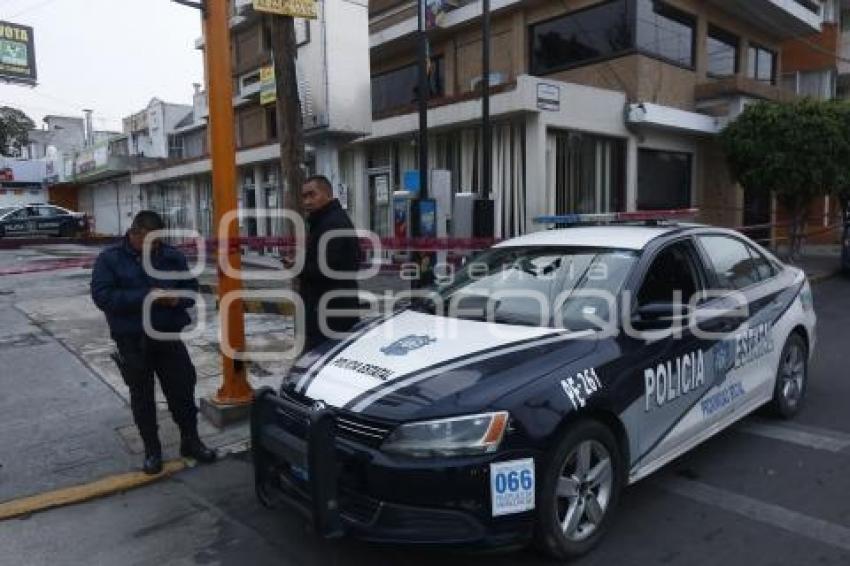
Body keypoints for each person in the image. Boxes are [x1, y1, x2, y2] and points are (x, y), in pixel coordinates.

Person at [91, 211, 216, 475]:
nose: (154, 248)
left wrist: (176, 299)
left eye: (158, 243)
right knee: (143, 398)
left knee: (182, 389)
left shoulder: (172, 256)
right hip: (133, 341)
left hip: (168, 336)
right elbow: (103, 297)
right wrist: (145, 296)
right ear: (134, 233)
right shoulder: (110, 259)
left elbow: (192, 290)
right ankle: (152, 450)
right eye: (149, 242)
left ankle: (190, 441)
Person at [295, 175, 361, 352]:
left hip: (328, 313)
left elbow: (326, 269)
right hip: (331, 309)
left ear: (327, 194)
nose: (307, 201)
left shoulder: (331, 224)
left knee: (319, 363)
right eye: (304, 196)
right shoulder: (325, 221)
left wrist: (298, 267)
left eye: (312, 195)